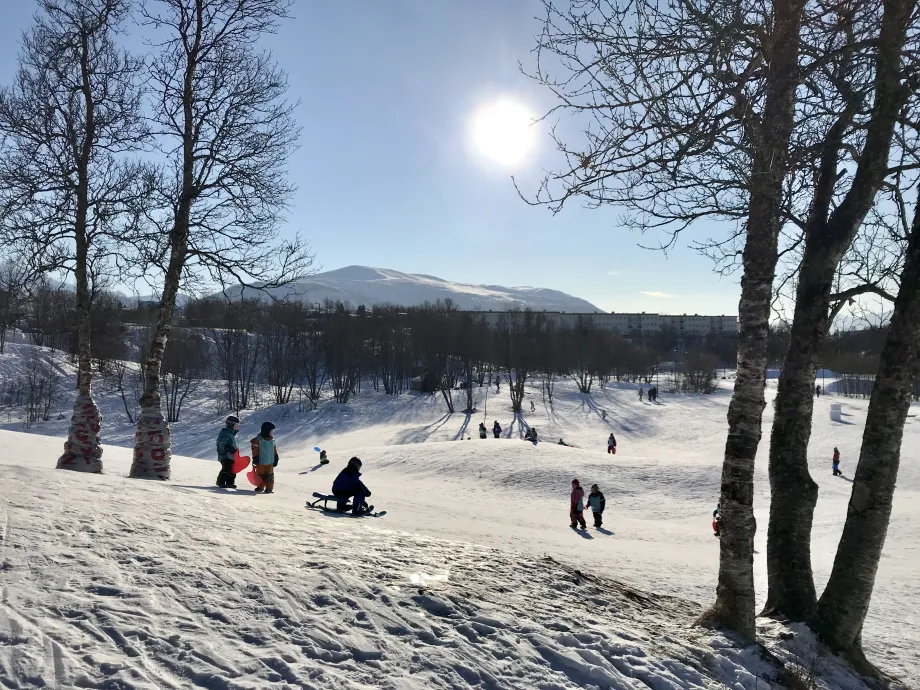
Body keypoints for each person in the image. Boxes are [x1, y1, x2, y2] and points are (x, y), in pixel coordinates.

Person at [250, 421, 279, 494]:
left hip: (270, 462)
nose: (272, 433)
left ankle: (269, 488)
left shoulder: (272, 440)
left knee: (269, 476)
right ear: (266, 430)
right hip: (261, 462)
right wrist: (255, 457)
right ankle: (260, 487)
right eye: (271, 431)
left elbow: (274, 450)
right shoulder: (258, 440)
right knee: (260, 475)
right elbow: (255, 450)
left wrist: (276, 457)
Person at [215, 415, 240, 488]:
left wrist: (236, 452)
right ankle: (220, 482)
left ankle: (230, 483)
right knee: (226, 468)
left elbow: (236, 444)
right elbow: (221, 443)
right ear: (231, 424)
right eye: (236, 425)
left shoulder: (234, 434)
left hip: (233, 455)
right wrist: (228, 448)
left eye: (238, 425)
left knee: (233, 469)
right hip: (224, 455)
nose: (237, 426)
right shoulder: (224, 433)